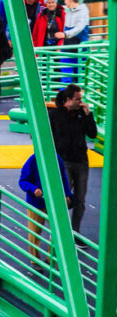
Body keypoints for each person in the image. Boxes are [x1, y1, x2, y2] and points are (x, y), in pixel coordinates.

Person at [49, 84, 97, 236]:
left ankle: (75, 232)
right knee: (65, 197)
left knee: (80, 200)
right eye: (78, 99)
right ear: (68, 99)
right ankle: (60, 231)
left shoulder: (82, 114)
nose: (81, 102)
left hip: (81, 161)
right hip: (64, 161)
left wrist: (89, 115)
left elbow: (93, 134)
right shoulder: (54, 115)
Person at [19, 152, 72, 263]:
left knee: (57, 232)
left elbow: (63, 177)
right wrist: (33, 189)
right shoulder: (33, 160)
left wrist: (67, 194)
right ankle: (35, 259)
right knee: (35, 232)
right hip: (37, 203)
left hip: (54, 202)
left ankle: (51, 258)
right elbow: (23, 181)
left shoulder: (56, 158)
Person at [61, 0, 90, 82]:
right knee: (66, 74)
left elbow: (79, 27)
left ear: (69, 0)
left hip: (79, 48)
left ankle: (79, 93)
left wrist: (66, 34)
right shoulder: (68, 11)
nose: (64, 1)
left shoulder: (83, 12)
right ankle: (65, 93)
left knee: (80, 76)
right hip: (68, 47)